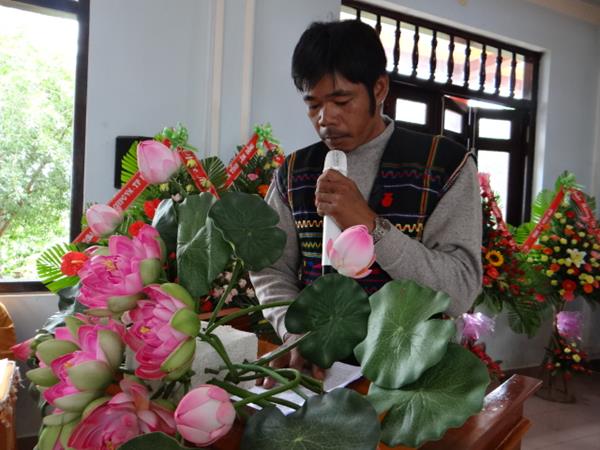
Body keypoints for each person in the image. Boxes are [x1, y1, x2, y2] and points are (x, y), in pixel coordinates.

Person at [250, 20, 482, 387]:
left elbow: (459, 291)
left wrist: (371, 227)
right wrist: (293, 332)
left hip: (414, 379)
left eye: (342, 101)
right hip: (318, 374)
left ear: (379, 88)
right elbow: (271, 269)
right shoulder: (294, 172)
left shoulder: (445, 165)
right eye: (313, 105)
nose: (326, 119)